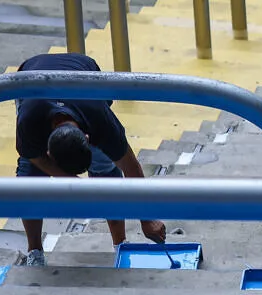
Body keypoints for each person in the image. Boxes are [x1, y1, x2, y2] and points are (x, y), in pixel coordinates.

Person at [14, 53, 166, 267]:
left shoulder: (100, 119)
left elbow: (131, 168)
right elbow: (32, 155)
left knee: (105, 169)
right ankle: (35, 251)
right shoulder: (29, 120)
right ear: (48, 150)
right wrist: (71, 180)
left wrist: (147, 219)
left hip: (84, 72)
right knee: (28, 178)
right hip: (30, 76)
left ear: (87, 138)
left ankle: (120, 244)